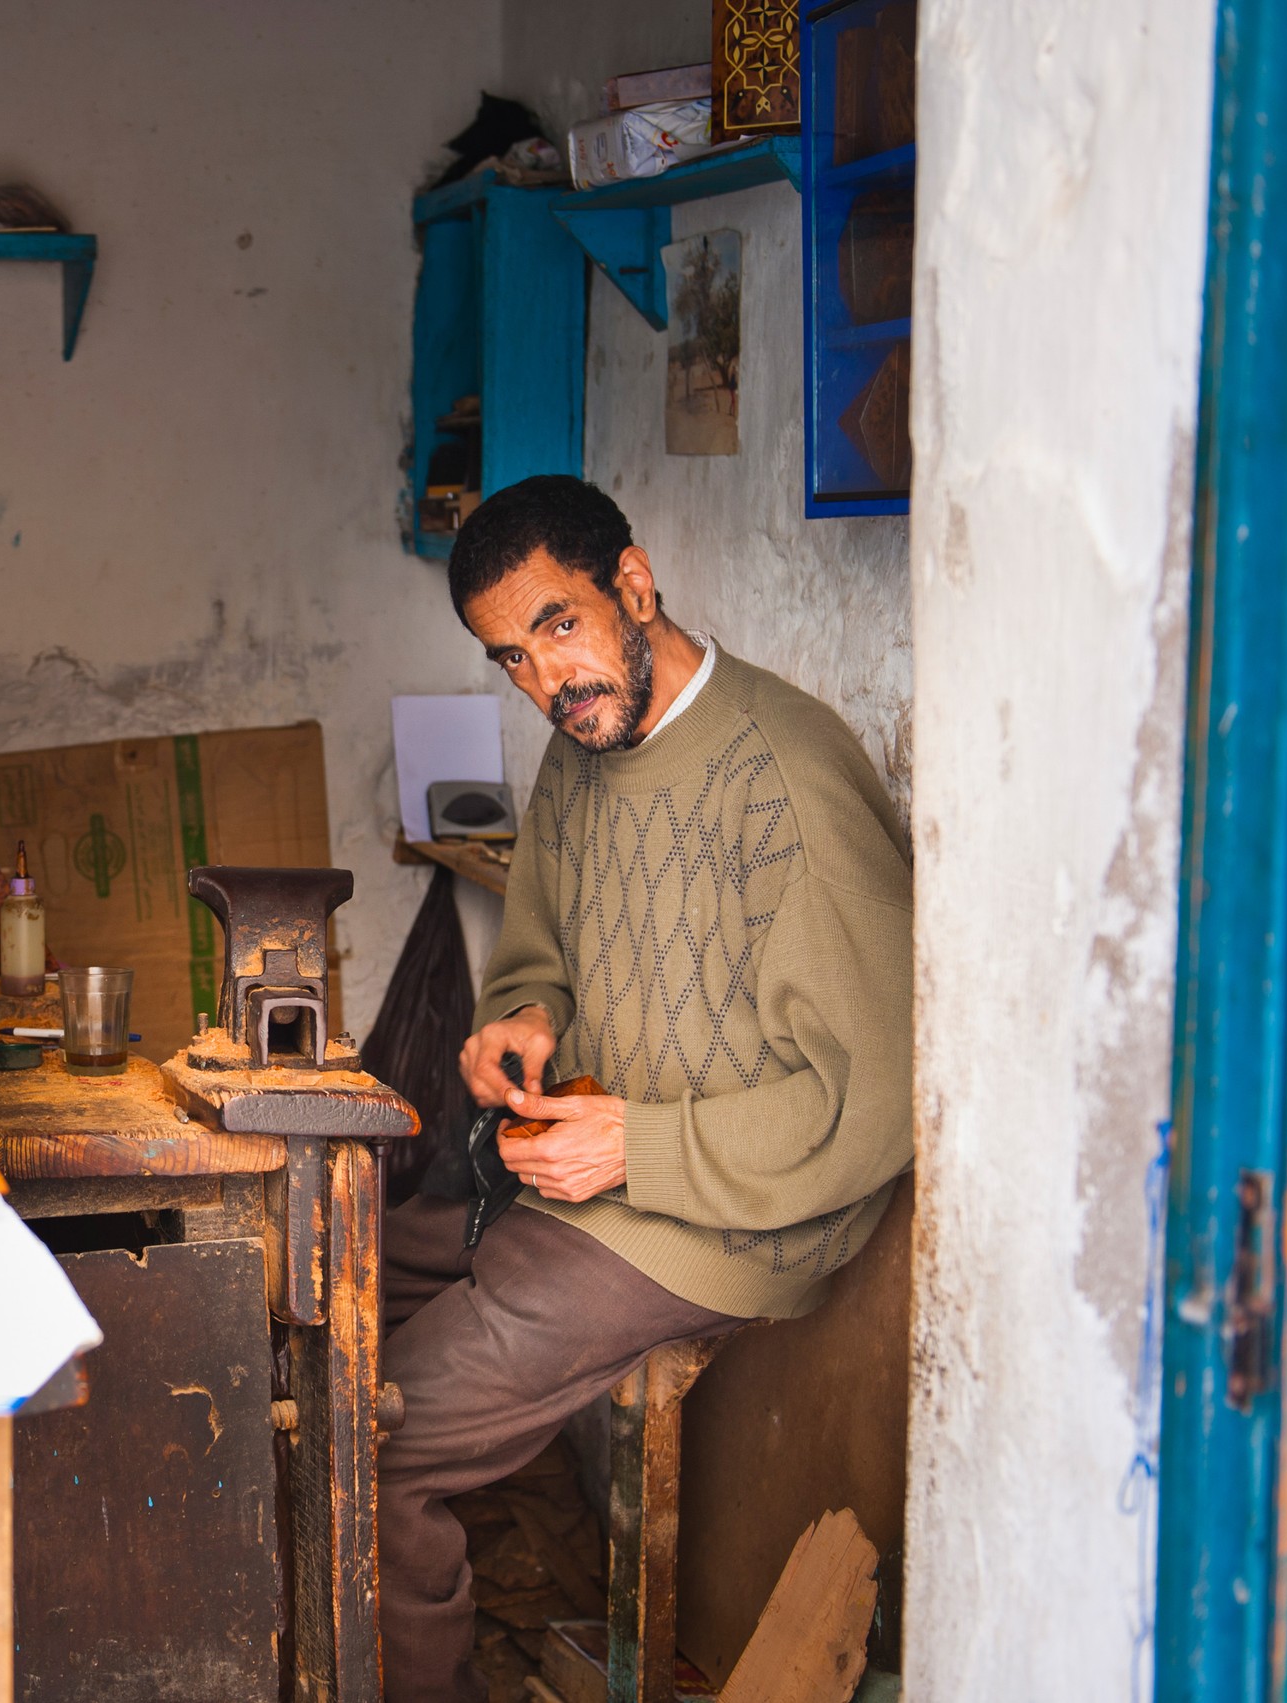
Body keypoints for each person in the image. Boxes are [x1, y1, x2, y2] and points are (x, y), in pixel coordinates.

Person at [379, 477, 914, 1702]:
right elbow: (542, 949)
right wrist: (520, 1015)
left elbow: (875, 1097)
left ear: (632, 584)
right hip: (588, 1166)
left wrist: (638, 1151)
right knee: (331, 1272)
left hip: (732, 1214)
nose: (543, 679)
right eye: (509, 656)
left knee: (386, 1444)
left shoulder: (780, 775)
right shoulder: (583, 746)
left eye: (558, 625)